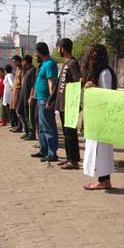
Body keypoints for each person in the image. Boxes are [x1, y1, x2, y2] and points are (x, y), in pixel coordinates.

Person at [83, 44, 118, 190]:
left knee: (101, 150)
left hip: (103, 117)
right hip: (97, 115)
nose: (92, 58)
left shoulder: (105, 73)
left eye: (95, 55)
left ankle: (104, 180)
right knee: (100, 150)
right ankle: (103, 179)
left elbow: (107, 94)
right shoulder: (99, 72)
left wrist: (93, 87)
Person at [48, 38, 82, 170]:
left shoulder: (73, 63)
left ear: (62, 48)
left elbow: (77, 82)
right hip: (62, 104)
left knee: (70, 133)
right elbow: (58, 85)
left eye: (58, 47)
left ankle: (74, 161)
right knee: (66, 133)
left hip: (70, 105)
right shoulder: (65, 64)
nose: (58, 50)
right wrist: (51, 99)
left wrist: (75, 103)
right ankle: (69, 158)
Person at [30, 42, 59, 162]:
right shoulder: (43, 64)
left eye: (36, 52)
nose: (35, 55)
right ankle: (44, 150)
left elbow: (51, 82)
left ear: (40, 51)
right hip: (40, 99)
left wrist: (50, 99)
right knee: (41, 127)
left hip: (45, 100)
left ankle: (52, 153)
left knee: (49, 127)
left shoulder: (50, 64)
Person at [18, 55, 36, 140]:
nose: (22, 63)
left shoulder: (33, 70)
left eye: (23, 61)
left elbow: (33, 85)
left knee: (29, 115)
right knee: (20, 111)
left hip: (28, 95)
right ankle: (26, 130)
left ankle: (31, 133)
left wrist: (31, 96)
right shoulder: (27, 71)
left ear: (26, 61)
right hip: (23, 94)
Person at [10, 55, 24, 132]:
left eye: (15, 62)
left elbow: (22, 83)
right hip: (15, 92)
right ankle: (18, 125)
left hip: (19, 93)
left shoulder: (22, 70)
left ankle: (20, 126)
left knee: (19, 110)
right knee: (15, 109)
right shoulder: (17, 70)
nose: (14, 63)